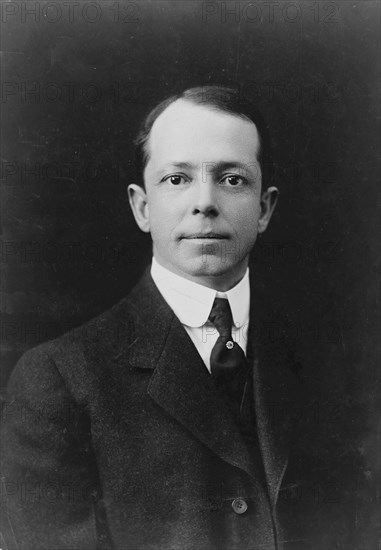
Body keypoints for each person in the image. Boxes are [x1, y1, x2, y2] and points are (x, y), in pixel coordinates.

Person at [1, 86, 371, 550]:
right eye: (176, 179)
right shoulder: (60, 379)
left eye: (232, 179)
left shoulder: (332, 366)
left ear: (264, 208)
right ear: (142, 206)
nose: (205, 202)